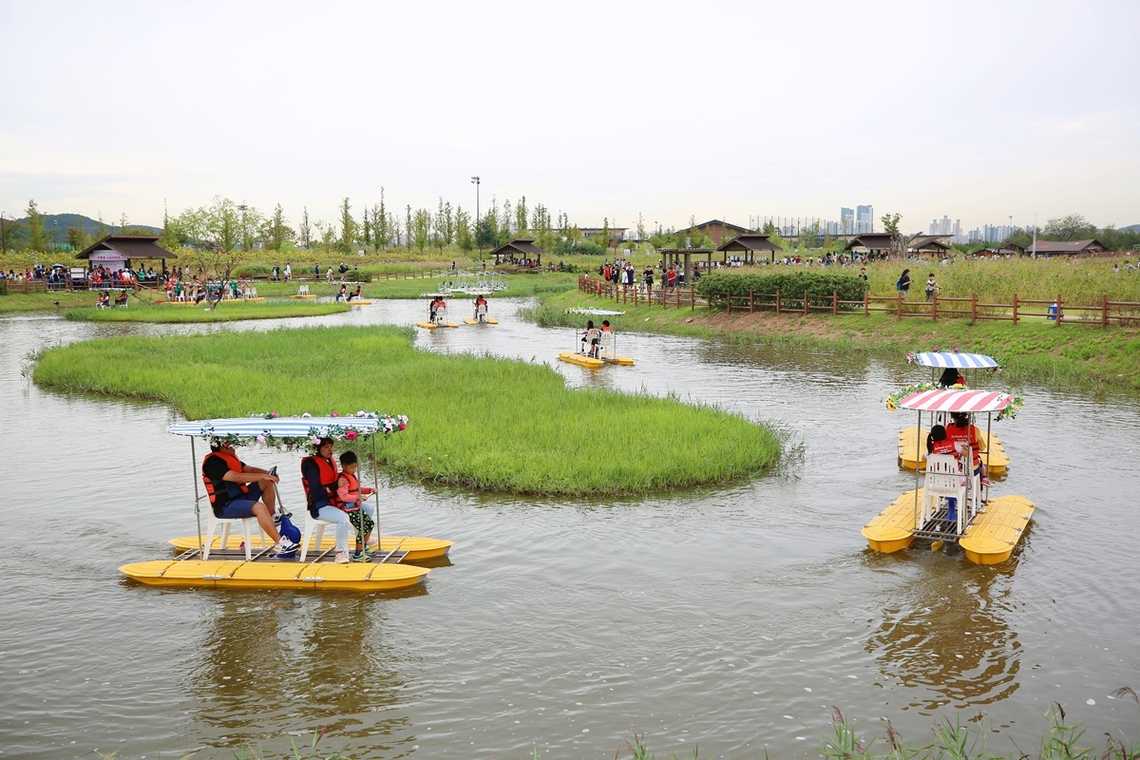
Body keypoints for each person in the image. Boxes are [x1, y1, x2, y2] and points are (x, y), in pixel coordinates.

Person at [202, 439, 295, 554]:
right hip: (225, 506)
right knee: (259, 507)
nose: (234, 446)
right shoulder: (212, 463)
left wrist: (267, 474)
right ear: (222, 445)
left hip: (241, 497)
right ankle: (281, 544)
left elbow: (248, 469)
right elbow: (235, 476)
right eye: (230, 444)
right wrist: (262, 476)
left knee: (266, 482)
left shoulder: (229, 458)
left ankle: (272, 517)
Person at [300, 437, 353, 563]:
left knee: (364, 507)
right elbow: (316, 490)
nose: (330, 450)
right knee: (343, 518)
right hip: (319, 506)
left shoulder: (329, 461)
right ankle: (340, 553)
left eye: (331, 447)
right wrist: (336, 485)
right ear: (318, 448)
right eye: (326, 447)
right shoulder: (310, 465)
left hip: (334, 502)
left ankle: (363, 541)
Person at [337, 451, 376, 557]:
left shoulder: (351, 476)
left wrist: (368, 490)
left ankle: (363, 547)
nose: (354, 470)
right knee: (365, 526)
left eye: (355, 467)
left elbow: (356, 489)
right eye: (352, 467)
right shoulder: (343, 480)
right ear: (344, 466)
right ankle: (358, 554)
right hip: (348, 509)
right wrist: (357, 497)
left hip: (355, 507)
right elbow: (343, 496)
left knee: (369, 524)